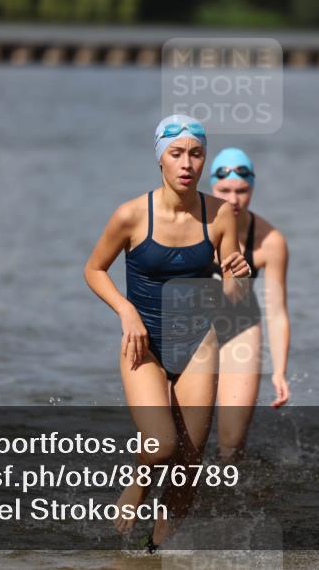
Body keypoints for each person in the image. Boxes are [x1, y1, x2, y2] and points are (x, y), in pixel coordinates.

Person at [84, 115, 252, 552]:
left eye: (195, 154)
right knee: (160, 446)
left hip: (198, 343)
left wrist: (237, 273)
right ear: (160, 158)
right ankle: (138, 485)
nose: (187, 163)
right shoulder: (131, 215)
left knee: (189, 465)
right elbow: (94, 269)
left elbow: (230, 280)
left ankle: (151, 553)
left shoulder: (219, 214)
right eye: (176, 153)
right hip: (144, 345)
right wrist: (125, 311)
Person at [204, 148, 291, 462]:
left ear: (252, 188)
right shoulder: (191, 226)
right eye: (223, 190)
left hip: (240, 328)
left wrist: (279, 371)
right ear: (211, 187)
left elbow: (277, 311)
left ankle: (230, 504)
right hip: (192, 329)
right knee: (181, 436)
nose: (233, 200)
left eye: (241, 191)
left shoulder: (270, 241)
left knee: (232, 442)